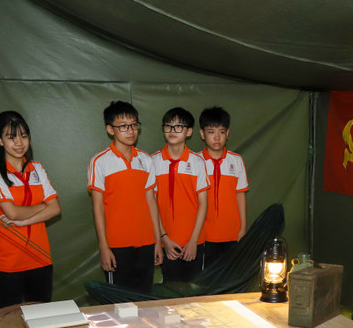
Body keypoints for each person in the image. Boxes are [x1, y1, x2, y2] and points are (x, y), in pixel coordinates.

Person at [0, 111, 61, 308]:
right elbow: (12, 213)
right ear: (0, 140)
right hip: (8, 262)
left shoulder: (37, 168)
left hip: (41, 258)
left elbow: (56, 209)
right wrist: (43, 206)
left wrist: (25, 220)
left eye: (24, 136)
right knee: (8, 322)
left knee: (42, 319)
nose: (19, 143)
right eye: (11, 137)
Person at [88, 101, 162, 292]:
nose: (130, 131)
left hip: (146, 243)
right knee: (121, 306)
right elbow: (98, 208)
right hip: (116, 246)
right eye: (123, 126)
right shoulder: (99, 161)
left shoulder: (145, 160)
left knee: (144, 300)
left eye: (134, 125)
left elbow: (151, 202)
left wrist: (157, 242)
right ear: (110, 130)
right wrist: (104, 248)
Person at [151, 107, 209, 283]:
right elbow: (151, 204)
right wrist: (164, 239)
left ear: (189, 132)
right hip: (166, 243)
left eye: (178, 127)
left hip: (194, 243)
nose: (172, 131)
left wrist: (193, 241)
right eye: (168, 126)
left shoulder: (198, 162)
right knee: (171, 296)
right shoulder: (152, 161)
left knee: (194, 297)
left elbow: (203, 204)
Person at [198, 107, 248, 268]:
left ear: (227, 134)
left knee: (230, 278)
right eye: (211, 132)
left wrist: (242, 228)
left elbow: (240, 195)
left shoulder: (236, 160)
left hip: (232, 234)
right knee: (205, 281)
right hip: (204, 235)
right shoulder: (195, 161)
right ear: (202, 134)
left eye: (221, 131)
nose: (217, 137)